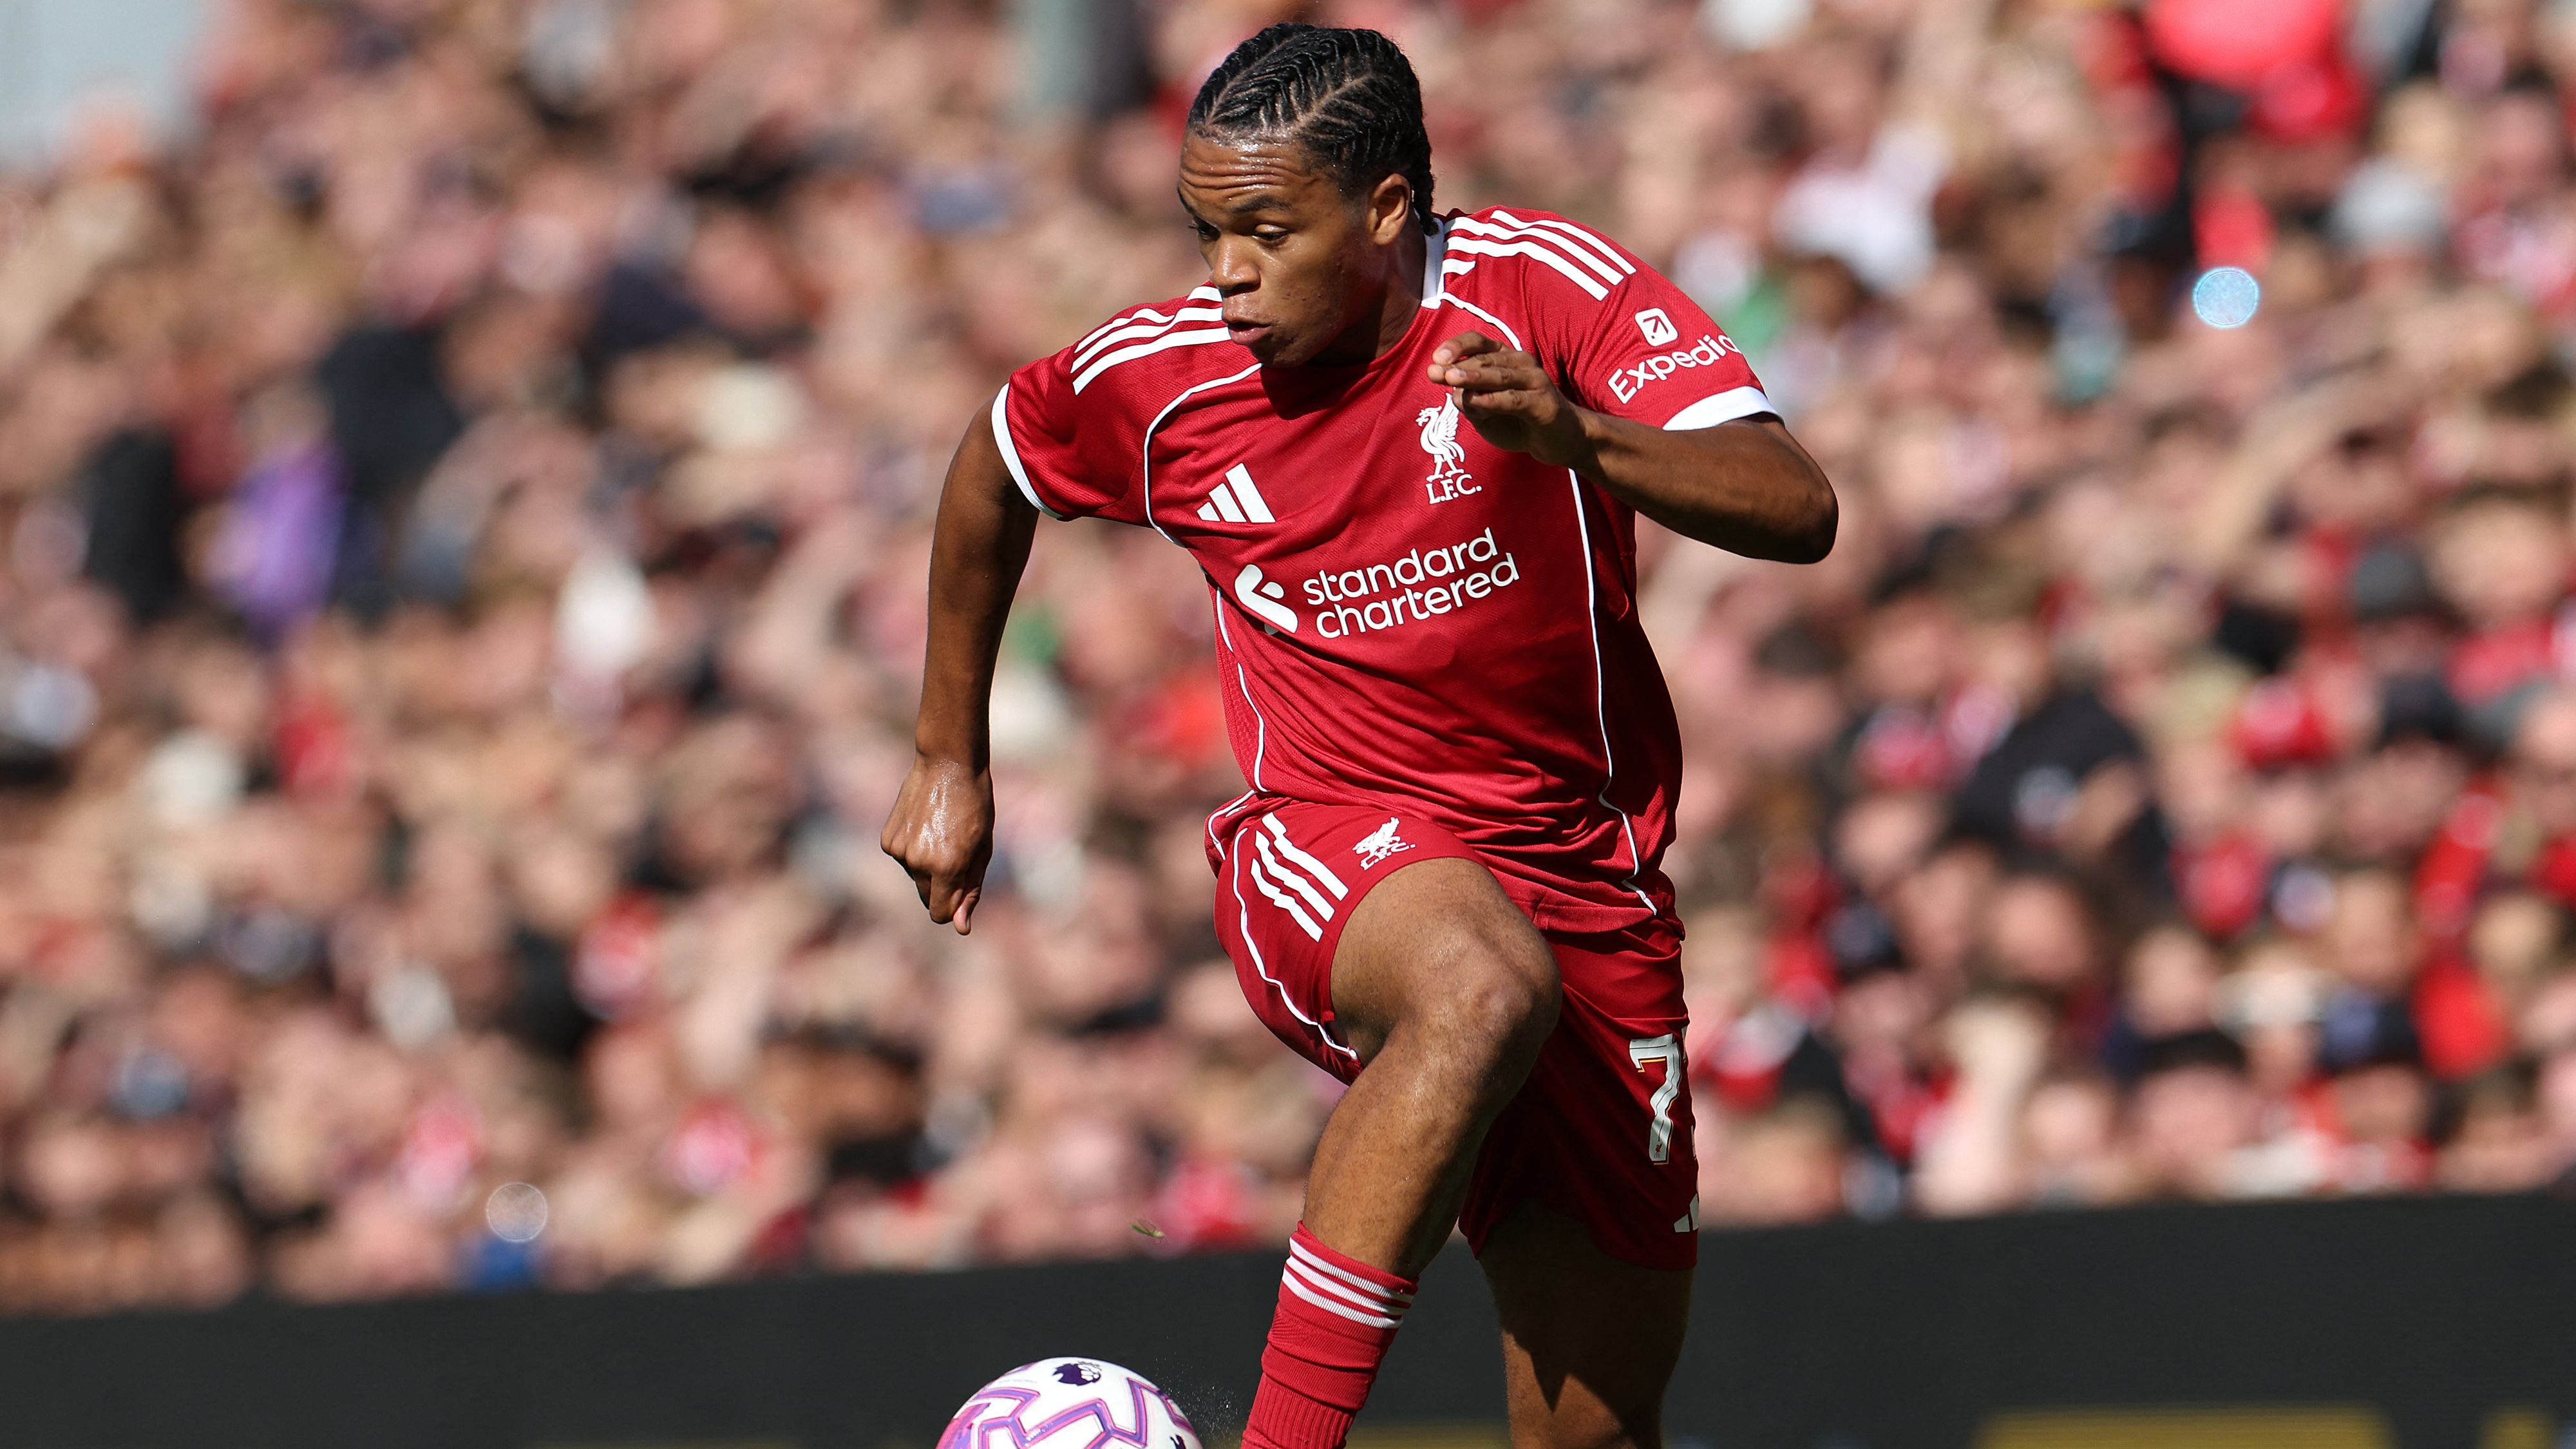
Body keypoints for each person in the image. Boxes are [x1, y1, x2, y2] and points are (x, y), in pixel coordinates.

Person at [882, 24, 1835, 1449]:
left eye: (1266, 231)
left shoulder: (1540, 290)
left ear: (1385, 211)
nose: (1225, 271)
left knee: (1597, 1427)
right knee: (1472, 984)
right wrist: (948, 754)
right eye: (1208, 230)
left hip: (1589, 878)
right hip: (1326, 845)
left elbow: (1794, 503)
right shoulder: (1166, 376)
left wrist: (1583, 441)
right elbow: (994, 467)